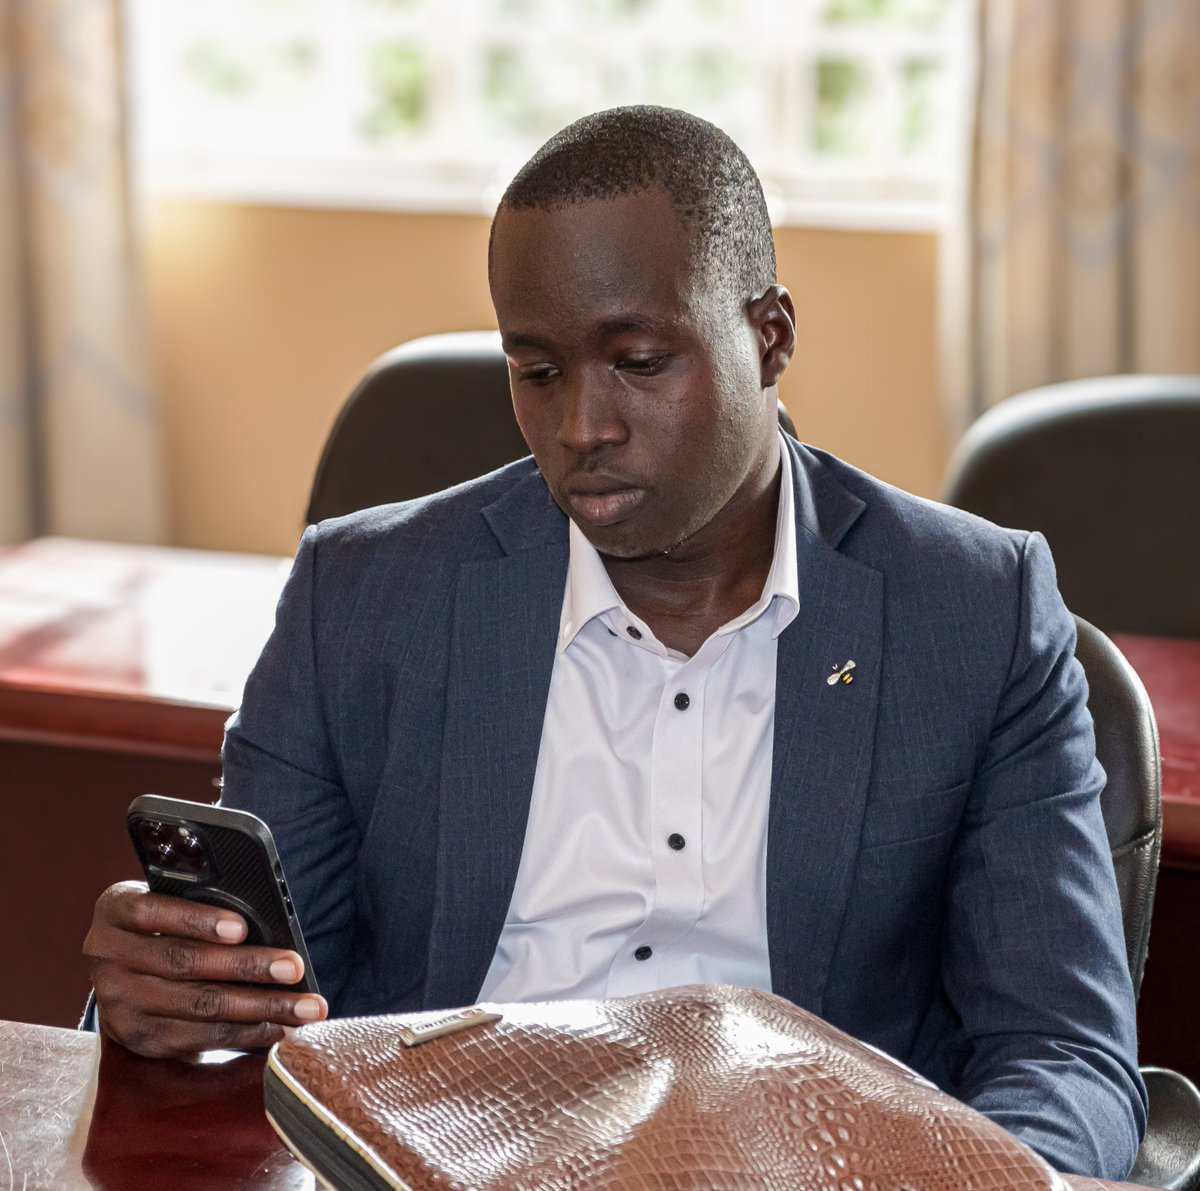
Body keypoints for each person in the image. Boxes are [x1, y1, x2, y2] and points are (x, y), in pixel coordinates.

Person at [83, 106, 1145, 1178]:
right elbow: (252, 1007)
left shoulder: (972, 612)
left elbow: (1063, 1054)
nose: (583, 427)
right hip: (441, 1159)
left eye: (638, 361)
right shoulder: (360, 597)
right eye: (538, 372)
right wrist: (168, 996)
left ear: (770, 336)